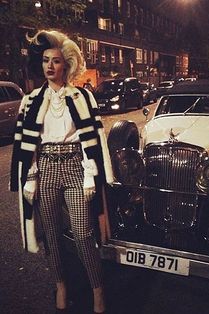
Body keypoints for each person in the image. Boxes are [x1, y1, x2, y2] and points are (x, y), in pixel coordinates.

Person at [10, 29, 114, 314]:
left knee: (82, 234)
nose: (50, 66)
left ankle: (98, 289)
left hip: (73, 167)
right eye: (45, 60)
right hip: (45, 169)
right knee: (52, 234)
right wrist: (30, 176)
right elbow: (25, 143)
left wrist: (91, 173)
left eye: (55, 61)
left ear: (66, 65)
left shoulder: (82, 97)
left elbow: (94, 138)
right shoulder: (30, 100)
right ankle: (61, 286)